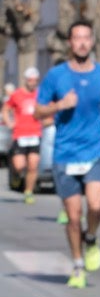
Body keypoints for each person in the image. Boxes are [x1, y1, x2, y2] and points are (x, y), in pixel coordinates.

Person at [37, 20, 100, 288]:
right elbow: (38, 111)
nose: (82, 42)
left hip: (95, 151)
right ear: (70, 43)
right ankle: (77, 265)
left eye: (86, 37)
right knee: (73, 217)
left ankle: (92, 237)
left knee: (95, 206)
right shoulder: (56, 76)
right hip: (66, 153)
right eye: (77, 38)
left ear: (92, 41)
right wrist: (60, 104)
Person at [7, 67, 43, 202]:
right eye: (30, 80)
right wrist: (9, 122)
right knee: (19, 166)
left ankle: (28, 192)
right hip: (20, 134)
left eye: (34, 80)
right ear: (26, 80)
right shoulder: (17, 95)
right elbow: (6, 109)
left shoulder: (40, 95)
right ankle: (15, 175)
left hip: (35, 134)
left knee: (33, 165)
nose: (32, 83)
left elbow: (48, 108)